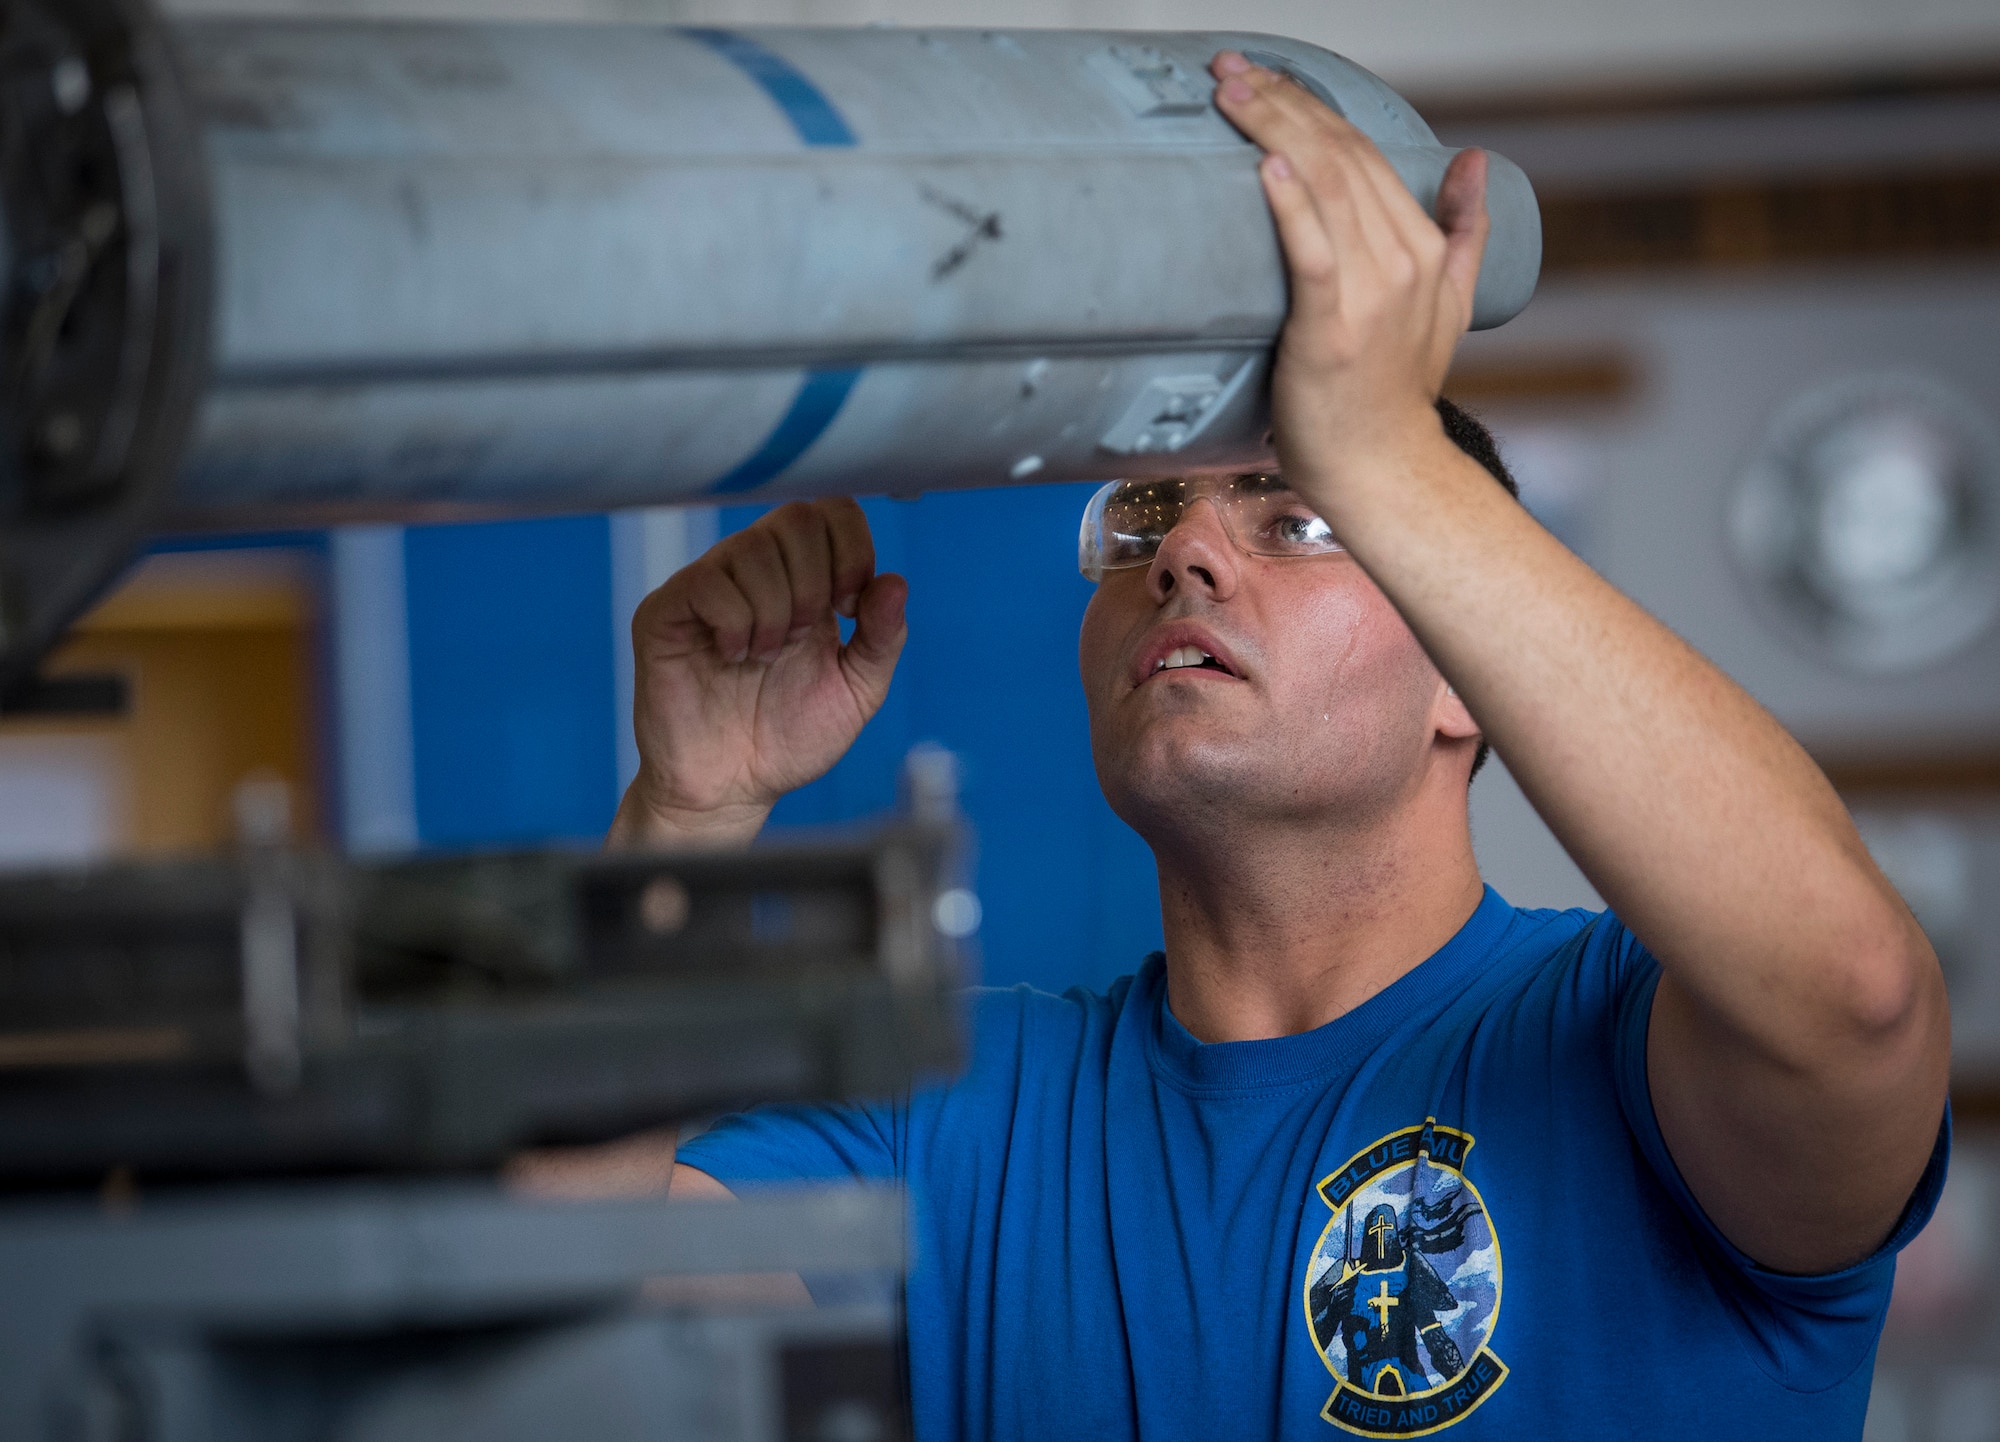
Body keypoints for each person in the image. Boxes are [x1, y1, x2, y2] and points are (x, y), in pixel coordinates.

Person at [577, 51, 1950, 1441]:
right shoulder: (946, 1115)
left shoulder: (1627, 1050)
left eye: (1295, 520)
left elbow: (1856, 992)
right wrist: (684, 812)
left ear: (1464, 680)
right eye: (1146, 518)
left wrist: (1385, 455)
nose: (1181, 554)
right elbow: (566, 1296)